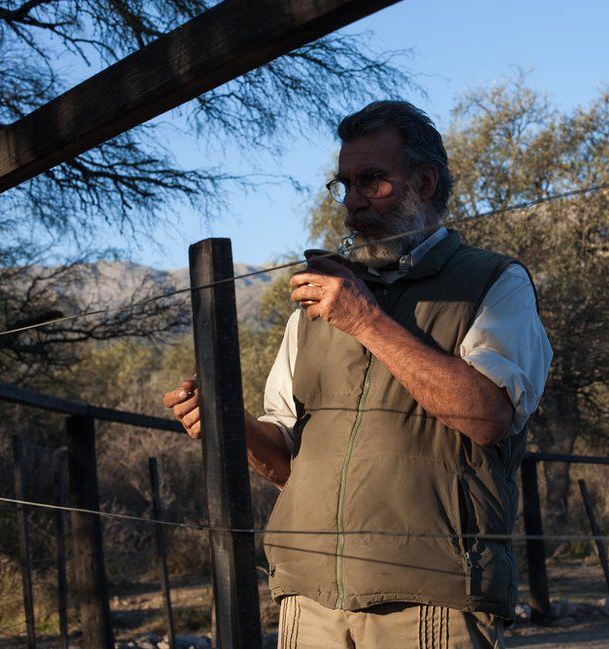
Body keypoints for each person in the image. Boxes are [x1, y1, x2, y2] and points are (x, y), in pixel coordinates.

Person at [164, 101, 552, 648]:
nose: (352, 202)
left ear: (423, 179)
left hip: (432, 600)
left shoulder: (493, 282)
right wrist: (226, 422)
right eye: (344, 184)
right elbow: (286, 462)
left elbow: (490, 415)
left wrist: (366, 321)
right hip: (308, 599)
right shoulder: (316, 303)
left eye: (372, 180)